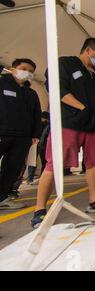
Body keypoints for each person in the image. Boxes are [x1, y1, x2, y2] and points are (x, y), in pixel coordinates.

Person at [31, 38, 95, 228]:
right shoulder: (65, 64)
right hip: (70, 123)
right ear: (88, 50)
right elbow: (57, 88)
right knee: (54, 164)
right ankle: (39, 210)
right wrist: (82, 108)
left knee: (94, 163)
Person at [0, 59, 42, 210]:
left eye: (30, 71)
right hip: (2, 132)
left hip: (23, 137)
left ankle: (2, 198)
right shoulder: (2, 83)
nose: (27, 72)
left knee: (13, 168)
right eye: (24, 68)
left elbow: (36, 116)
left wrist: (36, 134)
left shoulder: (31, 93)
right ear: (13, 69)